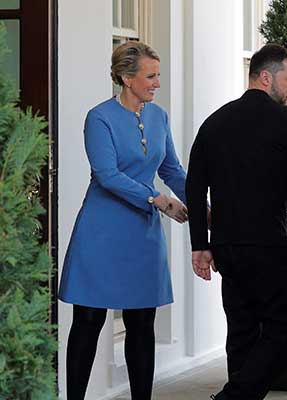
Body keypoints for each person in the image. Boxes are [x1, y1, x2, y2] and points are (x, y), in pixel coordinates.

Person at [186, 44, 287, 400]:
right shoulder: (286, 121)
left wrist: (200, 244)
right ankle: (234, 397)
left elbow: (195, 187)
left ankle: (237, 393)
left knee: (243, 329)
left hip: (225, 245)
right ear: (266, 76)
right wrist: (277, 202)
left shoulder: (214, 121)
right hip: (266, 242)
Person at [58, 41, 188, 400]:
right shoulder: (99, 117)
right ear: (126, 78)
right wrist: (159, 200)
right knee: (88, 321)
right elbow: (106, 174)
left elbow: (172, 169)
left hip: (142, 235)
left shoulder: (158, 117)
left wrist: (205, 206)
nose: (157, 83)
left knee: (142, 323)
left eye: (158, 74)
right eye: (151, 75)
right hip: (101, 231)